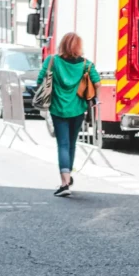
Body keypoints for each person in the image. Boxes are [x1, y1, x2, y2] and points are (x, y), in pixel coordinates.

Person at [37, 31, 100, 197]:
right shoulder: (86, 65)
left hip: (57, 109)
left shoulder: (52, 61)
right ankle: (68, 176)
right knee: (71, 144)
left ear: (62, 45)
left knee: (63, 145)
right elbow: (97, 82)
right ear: (79, 47)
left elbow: (40, 80)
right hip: (78, 109)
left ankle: (65, 182)